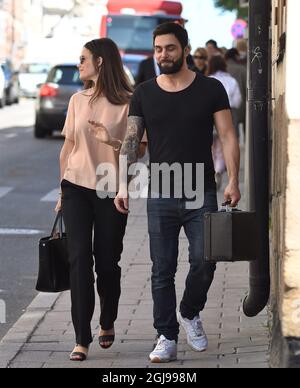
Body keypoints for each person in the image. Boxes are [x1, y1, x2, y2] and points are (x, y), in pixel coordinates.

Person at [90, 23, 241, 363]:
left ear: (185, 50)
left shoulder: (210, 89)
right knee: (162, 268)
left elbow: (228, 135)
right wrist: (123, 184)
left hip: (200, 188)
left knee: (207, 258)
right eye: (158, 49)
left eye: (170, 48)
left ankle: (189, 311)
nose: (163, 55)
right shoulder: (144, 92)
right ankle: (166, 336)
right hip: (160, 190)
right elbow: (132, 141)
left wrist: (233, 180)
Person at [55, 38, 134, 362]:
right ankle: (81, 337)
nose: (79, 64)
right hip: (75, 186)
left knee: (107, 263)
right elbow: (67, 148)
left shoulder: (128, 102)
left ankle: (107, 319)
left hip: (109, 189)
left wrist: (110, 140)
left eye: (83, 58)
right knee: (78, 262)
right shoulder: (76, 99)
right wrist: (61, 191)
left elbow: (136, 152)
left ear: (100, 61)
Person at [208, 55, 242, 190]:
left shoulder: (208, 81)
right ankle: (218, 169)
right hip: (227, 115)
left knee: (211, 147)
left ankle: (213, 169)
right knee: (224, 145)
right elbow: (238, 101)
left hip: (209, 116)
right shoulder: (231, 81)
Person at [225, 48, 247, 136]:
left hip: (224, 107)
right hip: (241, 106)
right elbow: (247, 87)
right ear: (236, 56)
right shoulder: (242, 69)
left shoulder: (222, 69)